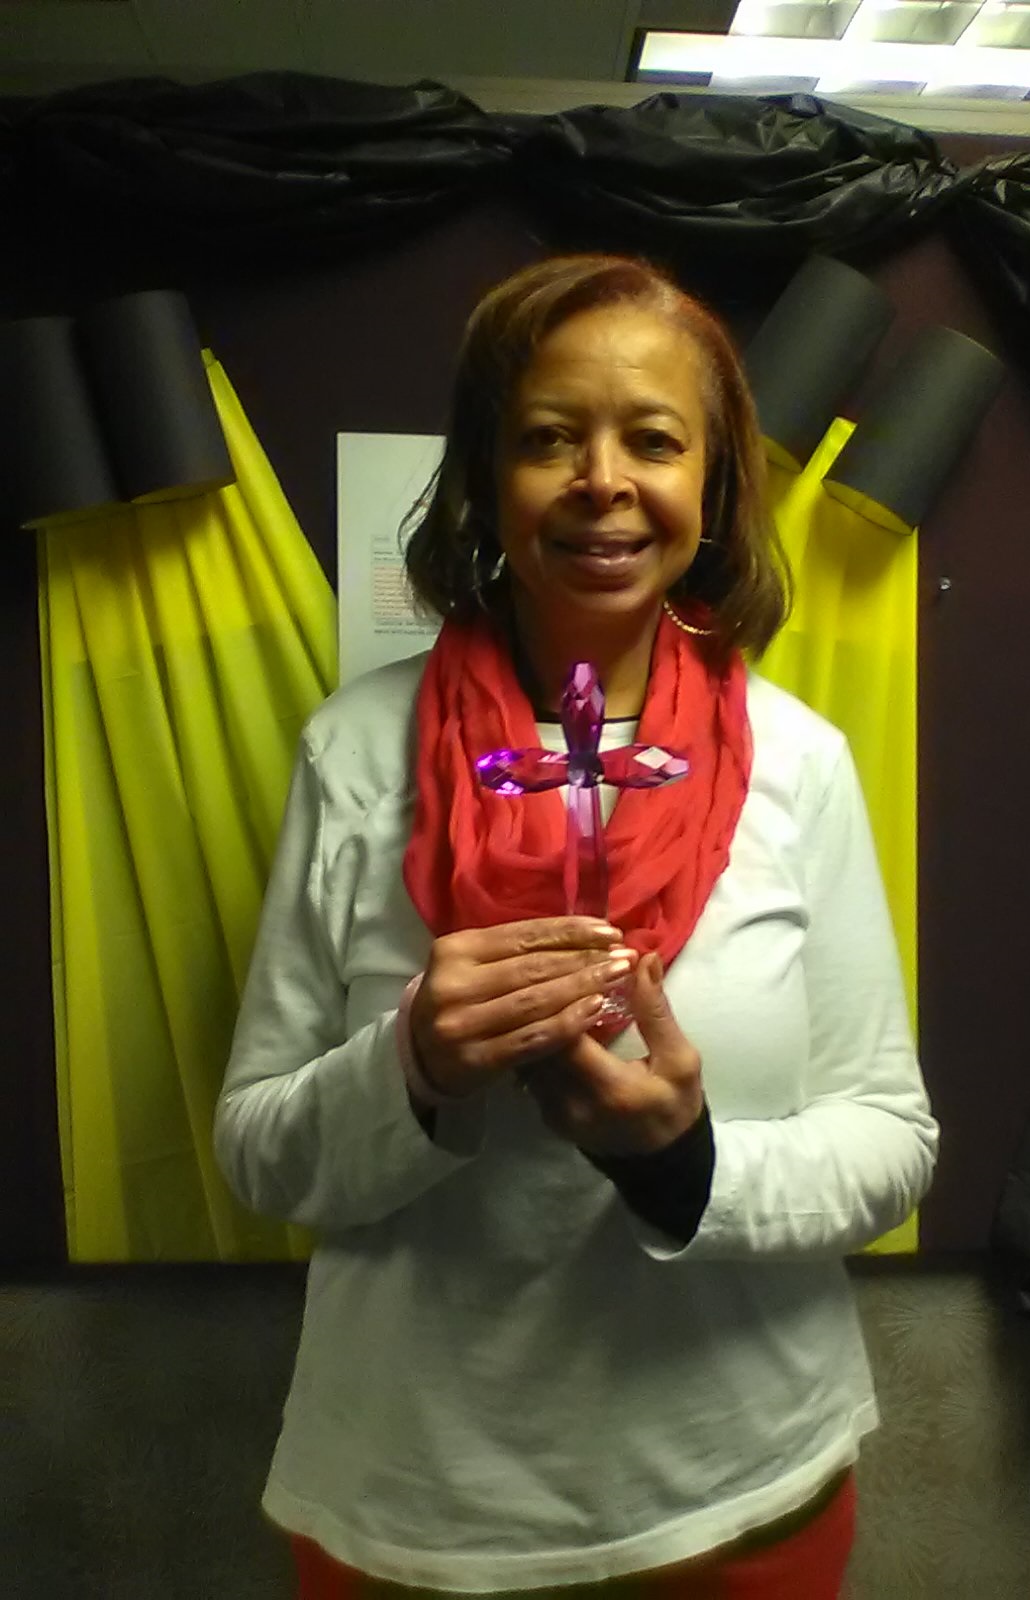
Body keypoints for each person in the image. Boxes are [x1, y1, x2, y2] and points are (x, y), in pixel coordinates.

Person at [214, 254, 938, 1599]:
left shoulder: (798, 761)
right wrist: (411, 1068)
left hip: (736, 1493)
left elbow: (890, 1140)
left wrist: (685, 1164)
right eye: (550, 438)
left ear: (713, 487)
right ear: (488, 477)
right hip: (418, 1507)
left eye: (653, 440)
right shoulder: (357, 751)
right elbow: (258, 1147)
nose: (603, 480)